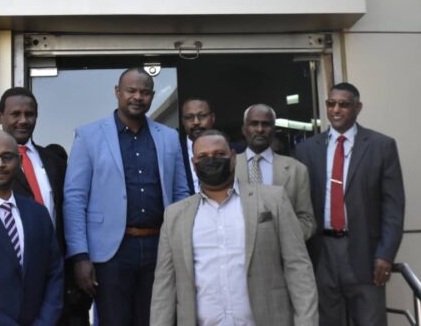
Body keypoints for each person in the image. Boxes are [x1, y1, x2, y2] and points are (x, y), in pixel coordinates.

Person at [150, 129, 318, 326]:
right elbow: (164, 288)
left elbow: (298, 268)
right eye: (203, 156)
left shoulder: (273, 200)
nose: (211, 160)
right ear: (194, 164)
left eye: (219, 154)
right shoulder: (175, 216)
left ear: (233, 157)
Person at [64, 67, 190, 325]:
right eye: (131, 90)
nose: (138, 97)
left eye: (145, 92)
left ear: (152, 96)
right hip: (110, 252)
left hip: (159, 246)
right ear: (117, 92)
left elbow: (181, 195)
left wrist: (182, 245)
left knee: (157, 319)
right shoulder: (89, 135)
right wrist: (80, 255)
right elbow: (75, 198)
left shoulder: (168, 137)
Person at [294, 82, 405, 326]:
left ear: (358, 107)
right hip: (321, 253)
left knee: (370, 320)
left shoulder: (381, 146)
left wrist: (386, 255)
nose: (336, 110)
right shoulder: (305, 150)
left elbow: (393, 207)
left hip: (365, 252)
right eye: (331, 104)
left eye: (343, 105)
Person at [0, 86, 91, 325]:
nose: (23, 120)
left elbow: (69, 213)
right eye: (15, 114)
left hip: (54, 287)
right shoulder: (0, 164)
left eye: (29, 114)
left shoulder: (54, 162)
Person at [0, 130, 63, 325]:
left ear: (20, 162)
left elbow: (54, 273)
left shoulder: (38, 214)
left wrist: (44, 322)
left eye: (7, 157)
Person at [236, 103, 315, 240]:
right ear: (244, 129)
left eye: (266, 124)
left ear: (274, 130)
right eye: (254, 124)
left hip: (283, 250)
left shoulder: (296, 169)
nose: (260, 129)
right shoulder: (229, 167)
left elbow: (306, 220)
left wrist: (284, 242)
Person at [180, 98, 216, 194]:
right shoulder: (174, 152)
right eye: (189, 117)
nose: (196, 122)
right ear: (183, 121)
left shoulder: (231, 150)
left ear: (213, 118)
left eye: (202, 116)